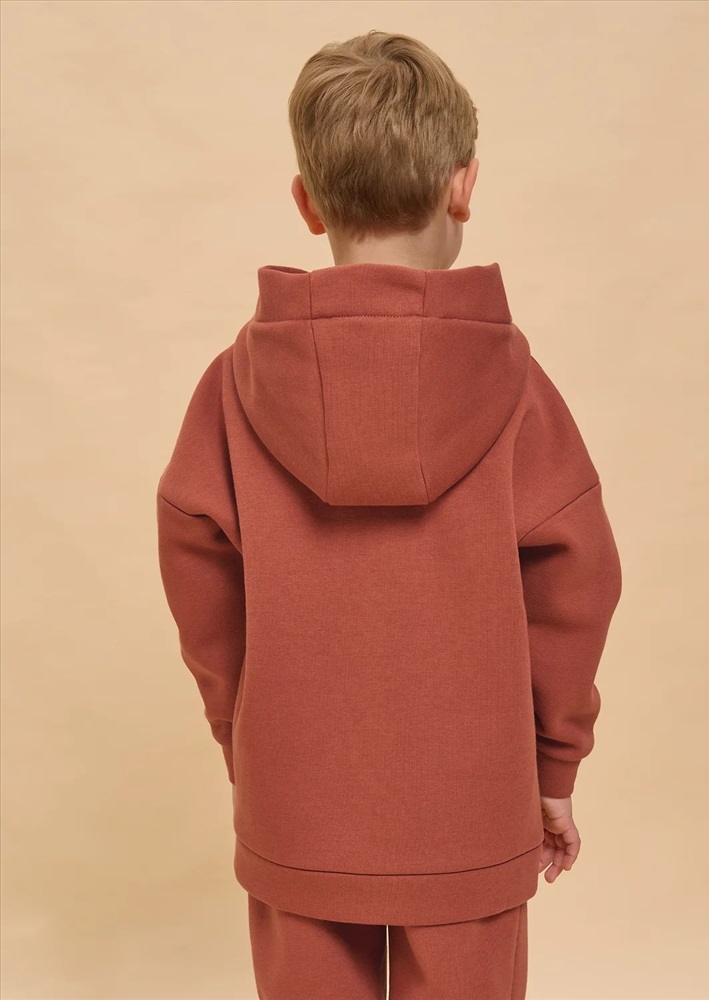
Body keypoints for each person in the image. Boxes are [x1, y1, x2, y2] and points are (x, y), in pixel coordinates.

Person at [155, 29, 623, 1000]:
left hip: (295, 800)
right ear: (464, 186)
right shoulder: (517, 388)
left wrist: (241, 730)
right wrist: (553, 766)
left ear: (308, 202)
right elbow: (577, 582)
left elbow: (198, 576)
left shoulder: (232, 390)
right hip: (472, 808)